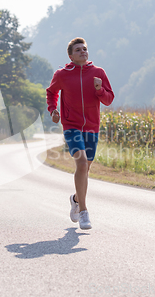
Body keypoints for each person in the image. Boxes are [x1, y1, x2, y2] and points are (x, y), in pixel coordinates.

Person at [46, 37, 114, 230]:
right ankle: (83, 211)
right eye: (78, 50)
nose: (83, 52)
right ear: (70, 55)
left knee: (86, 168)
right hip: (71, 126)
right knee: (82, 163)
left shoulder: (98, 73)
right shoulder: (62, 74)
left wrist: (100, 90)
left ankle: (75, 199)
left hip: (92, 127)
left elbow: (109, 99)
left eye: (84, 49)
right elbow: (51, 92)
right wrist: (53, 110)